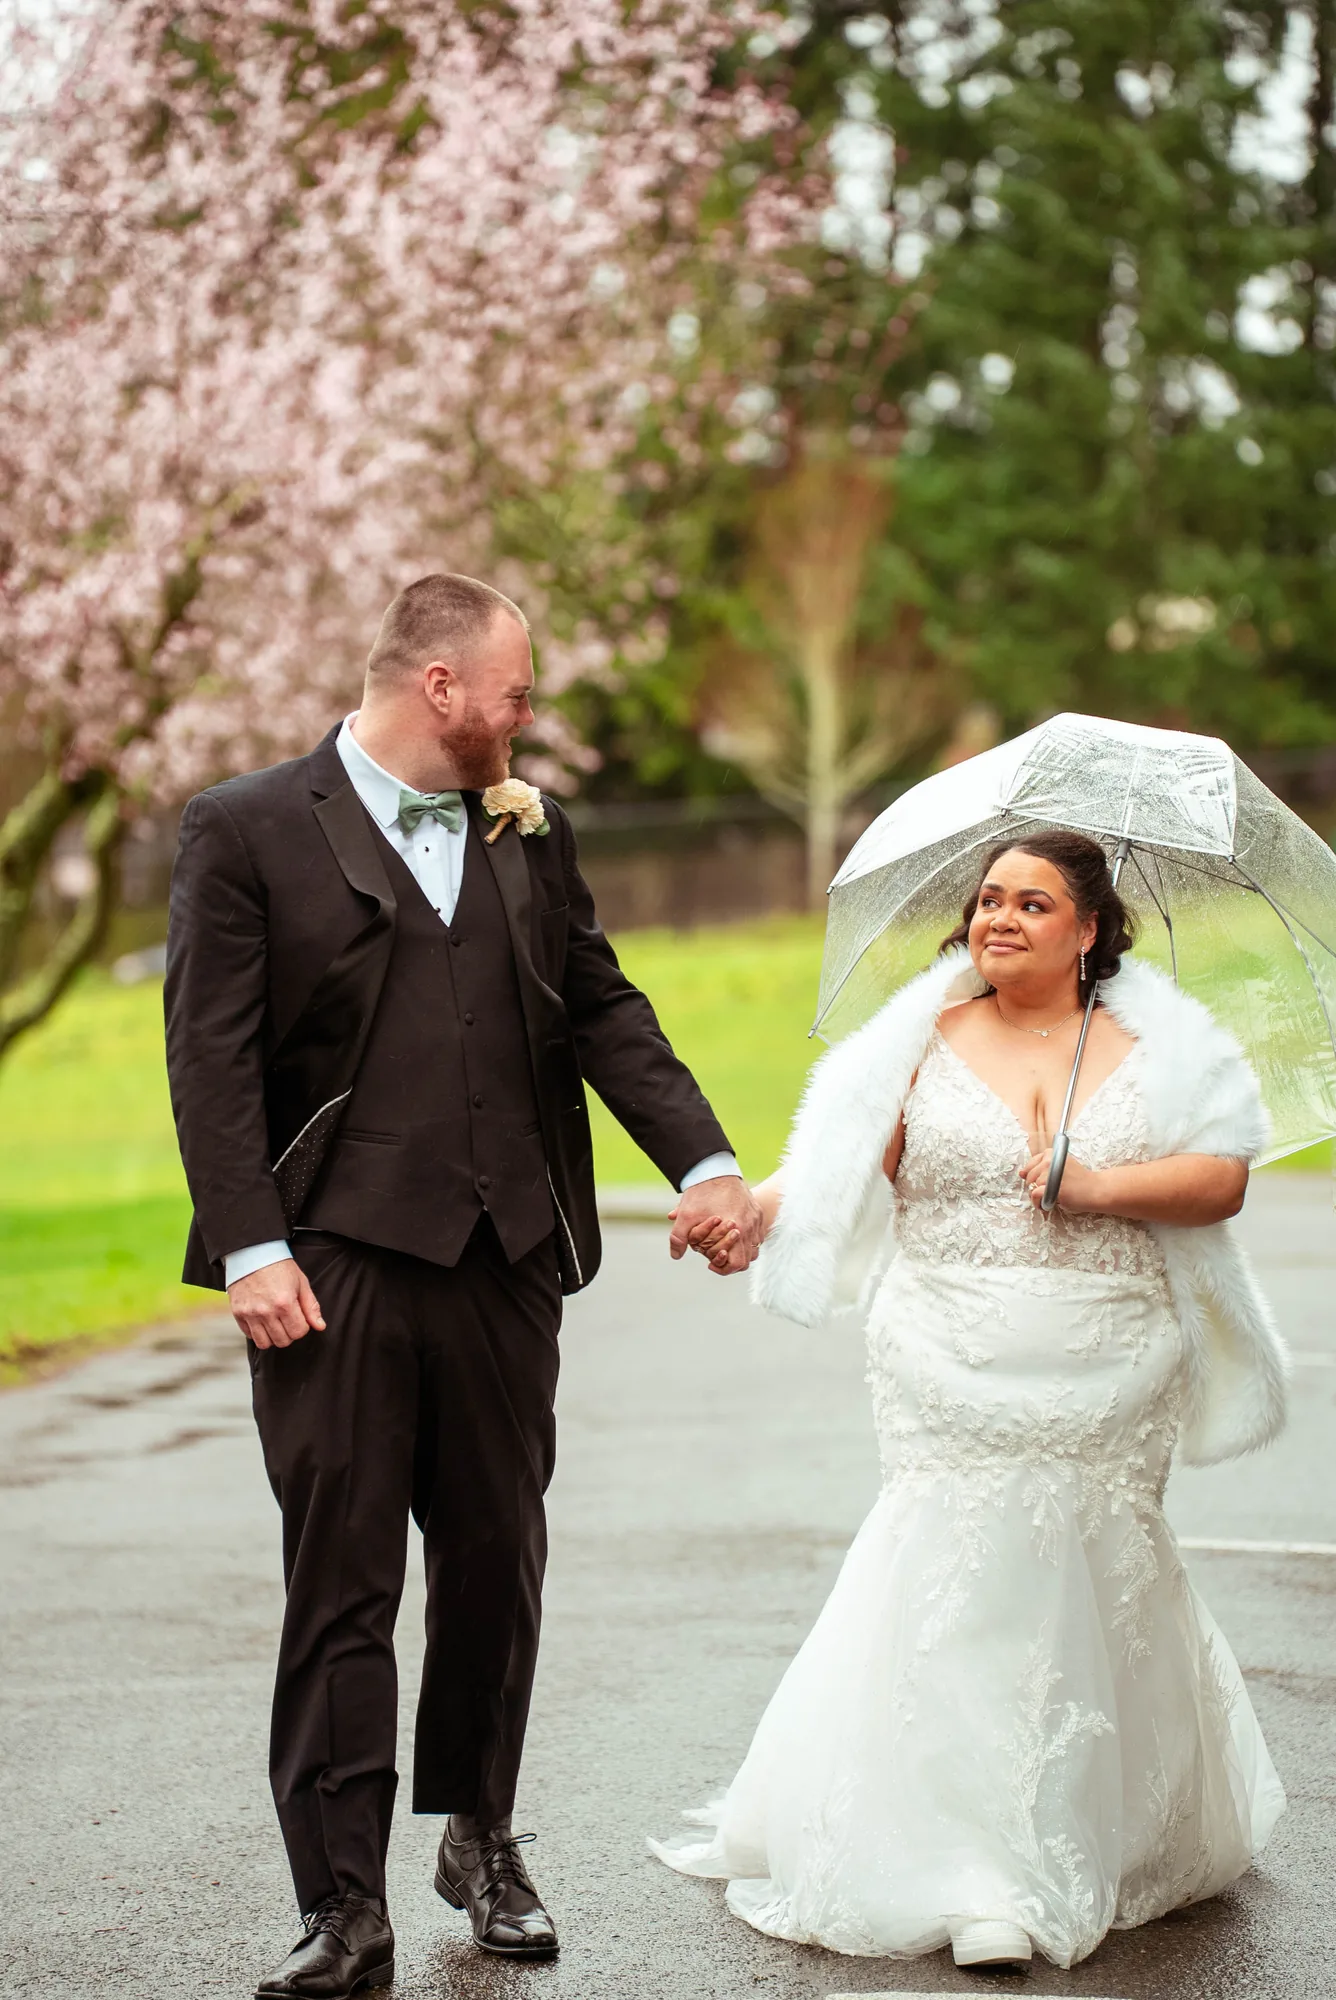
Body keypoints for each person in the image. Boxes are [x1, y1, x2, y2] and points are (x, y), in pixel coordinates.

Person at [164, 573, 762, 2000]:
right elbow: (210, 1053)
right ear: (439, 686)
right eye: (515, 686)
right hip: (332, 1265)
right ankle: (341, 1905)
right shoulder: (244, 827)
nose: (528, 711)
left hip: (505, 1263)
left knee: (496, 1566)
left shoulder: (533, 829)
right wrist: (250, 1246)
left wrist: (706, 1163)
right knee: (346, 1584)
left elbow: (602, 1005)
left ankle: (476, 1837)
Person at [653, 828, 1288, 1972]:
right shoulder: (916, 1041)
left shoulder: (1160, 1048)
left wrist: (1090, 1182)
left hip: (1113, 1351)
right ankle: (977, 1864)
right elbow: (840, 1163)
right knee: (961, 1567)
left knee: (1089, 1565)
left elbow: (1222, 1176)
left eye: (1031, 903)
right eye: (987, 899)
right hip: (942, 1349)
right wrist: (751, 1208)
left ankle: (1103, 1823)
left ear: (1088, 929)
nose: (997, 918)